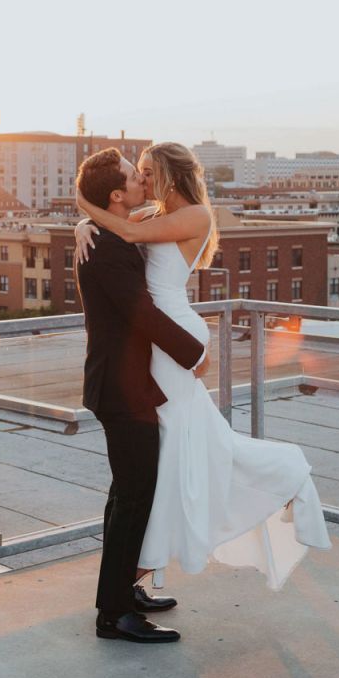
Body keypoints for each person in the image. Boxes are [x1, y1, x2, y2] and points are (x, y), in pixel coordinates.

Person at [76, 141, 331, 594]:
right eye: (137, 174)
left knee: (187, 446)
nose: (143, 180)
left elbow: (124, 233)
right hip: (162, 343)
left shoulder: (195, 215)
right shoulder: (152, 214)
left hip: (175, 336)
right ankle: (134, 578)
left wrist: (83, 204)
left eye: (149, 172)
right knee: (183, 447)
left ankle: (285, 473)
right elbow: (115, 227)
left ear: (171, 174)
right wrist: (83, 222)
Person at [75, 147, 208, 644]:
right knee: (132, 499)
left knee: (128, 497)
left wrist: (80, 219)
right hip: (121, 387)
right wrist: (194, 355)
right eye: (135, 177)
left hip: (132, 384)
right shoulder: (107, 245)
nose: (142, 182)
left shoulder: (111, 233)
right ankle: (114, 615)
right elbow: (142, 313)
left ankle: (121, 596)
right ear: (116, 194)